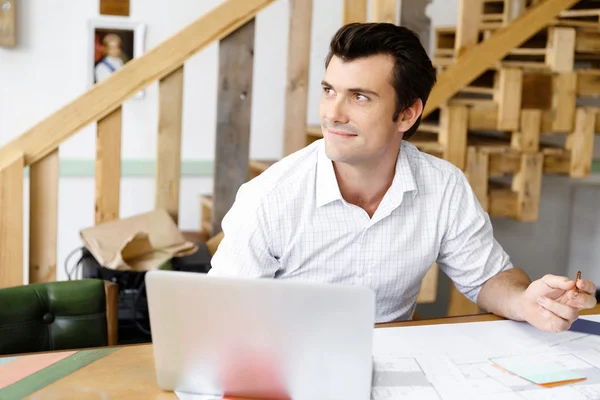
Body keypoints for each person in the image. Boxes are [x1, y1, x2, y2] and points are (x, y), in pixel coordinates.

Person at [208, 22, 597, 332]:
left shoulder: (443, 186)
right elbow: (220, 316)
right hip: (287, 370)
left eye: (359, 97)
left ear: (408, 114)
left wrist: (527, 300)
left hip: (396, 371)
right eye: (329, 91)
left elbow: (489, 276)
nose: (333, 113)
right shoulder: (270, 195)